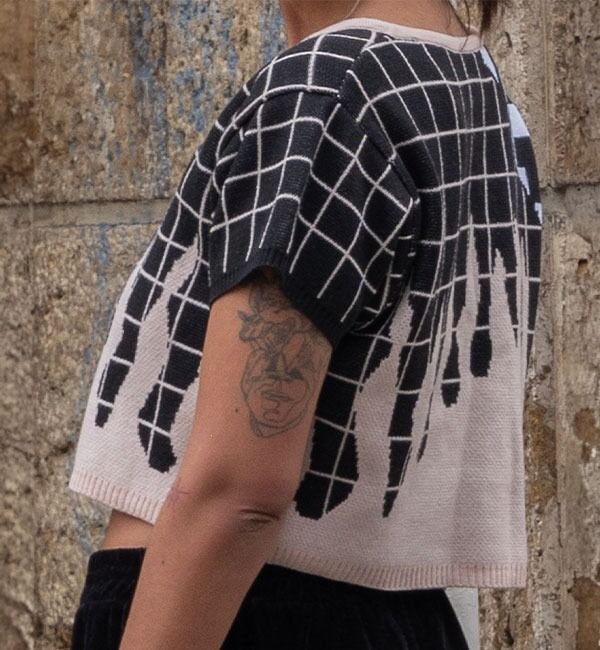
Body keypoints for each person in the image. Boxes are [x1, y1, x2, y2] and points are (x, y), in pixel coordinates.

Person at [67, 0, 543, 648]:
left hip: (237, 612)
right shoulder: (472, 89)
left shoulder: (329, 92)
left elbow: (240, 494)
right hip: (380, 616)